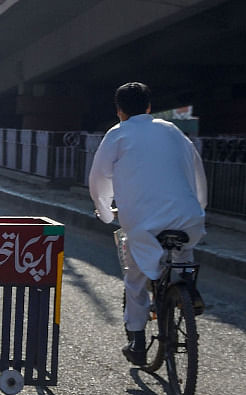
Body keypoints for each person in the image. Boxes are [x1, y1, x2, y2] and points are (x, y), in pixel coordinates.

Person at [88, 82, 206, 365]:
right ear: (150, 107)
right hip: (188, 217)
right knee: (182, 254)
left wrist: (105, 212)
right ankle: (185, 286)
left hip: (142, 223)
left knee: (136, 277)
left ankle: (138, 341)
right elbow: (197, 171)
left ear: (119, 111)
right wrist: (199, 207)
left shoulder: (118, 134)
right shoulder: (173, 131)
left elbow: (99, 181)